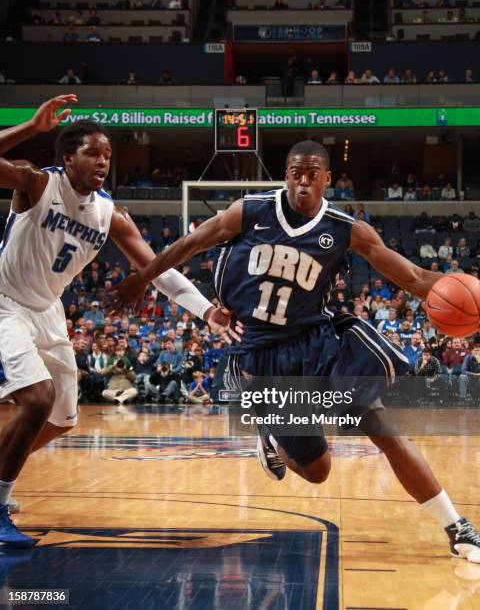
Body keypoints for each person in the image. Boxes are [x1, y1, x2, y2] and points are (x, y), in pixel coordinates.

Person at [110, 139, 480, 562]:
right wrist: (143, 277)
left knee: (382, 426)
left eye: (312, 175)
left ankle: (457, 526)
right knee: (318, 472)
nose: (303, 183)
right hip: (265, 358)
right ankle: (270, 434)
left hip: (319, 343)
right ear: (286, 176)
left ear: (327, 179)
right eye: (295, 174)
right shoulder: (248, 212)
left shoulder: (346, 229)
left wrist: (462, 285)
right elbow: (187, 246)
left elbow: (414, 278)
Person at [0, 95, 239, 547]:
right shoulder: (35, 183)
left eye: (108, 154)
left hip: (49, 310)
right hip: (5, 302)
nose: (103, 161)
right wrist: (31, 126)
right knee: (36, 400)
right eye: (93, 152)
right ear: (68, 157)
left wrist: (206, 309)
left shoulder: (111, 215)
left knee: (61, 417)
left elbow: (157, 270)